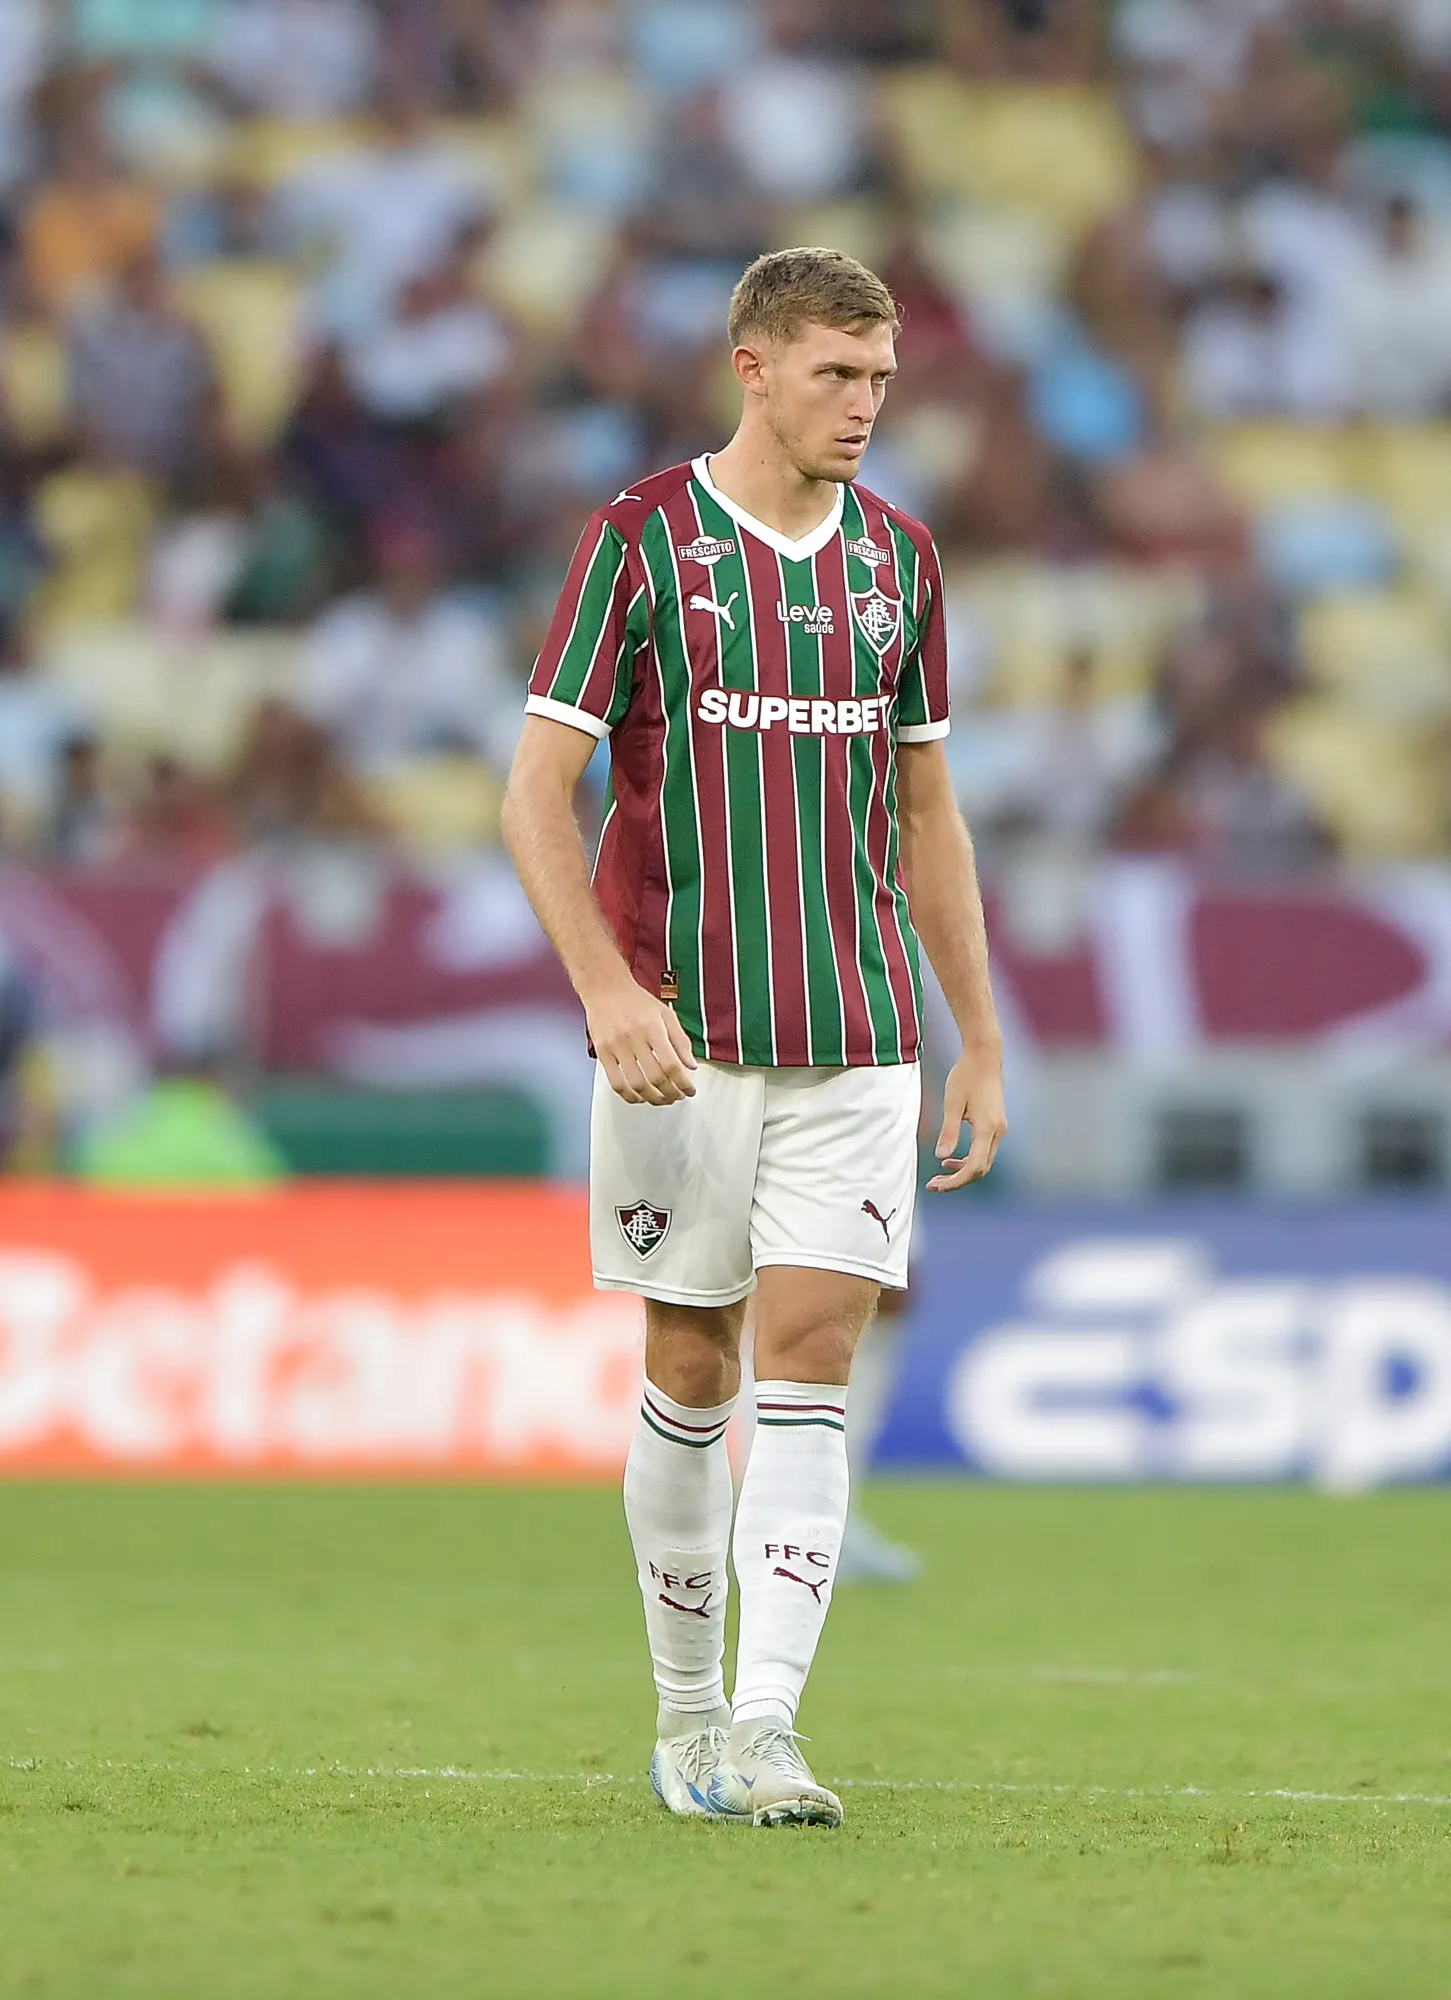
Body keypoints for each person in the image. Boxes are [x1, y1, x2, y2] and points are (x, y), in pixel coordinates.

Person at [498, 246, 1008, 1829]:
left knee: (812, 1361)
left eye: (882, 379)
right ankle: (686, 1719)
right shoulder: (643, 542)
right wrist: (606, 991)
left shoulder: (901, 563)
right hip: (683, 1035)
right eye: (837, 375)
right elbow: (536, 793)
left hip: (857, 1033)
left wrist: (979, 1036)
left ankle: (770, 1727)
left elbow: (928, 812)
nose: (864, 405)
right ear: (756, 367)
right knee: (689, 1361)